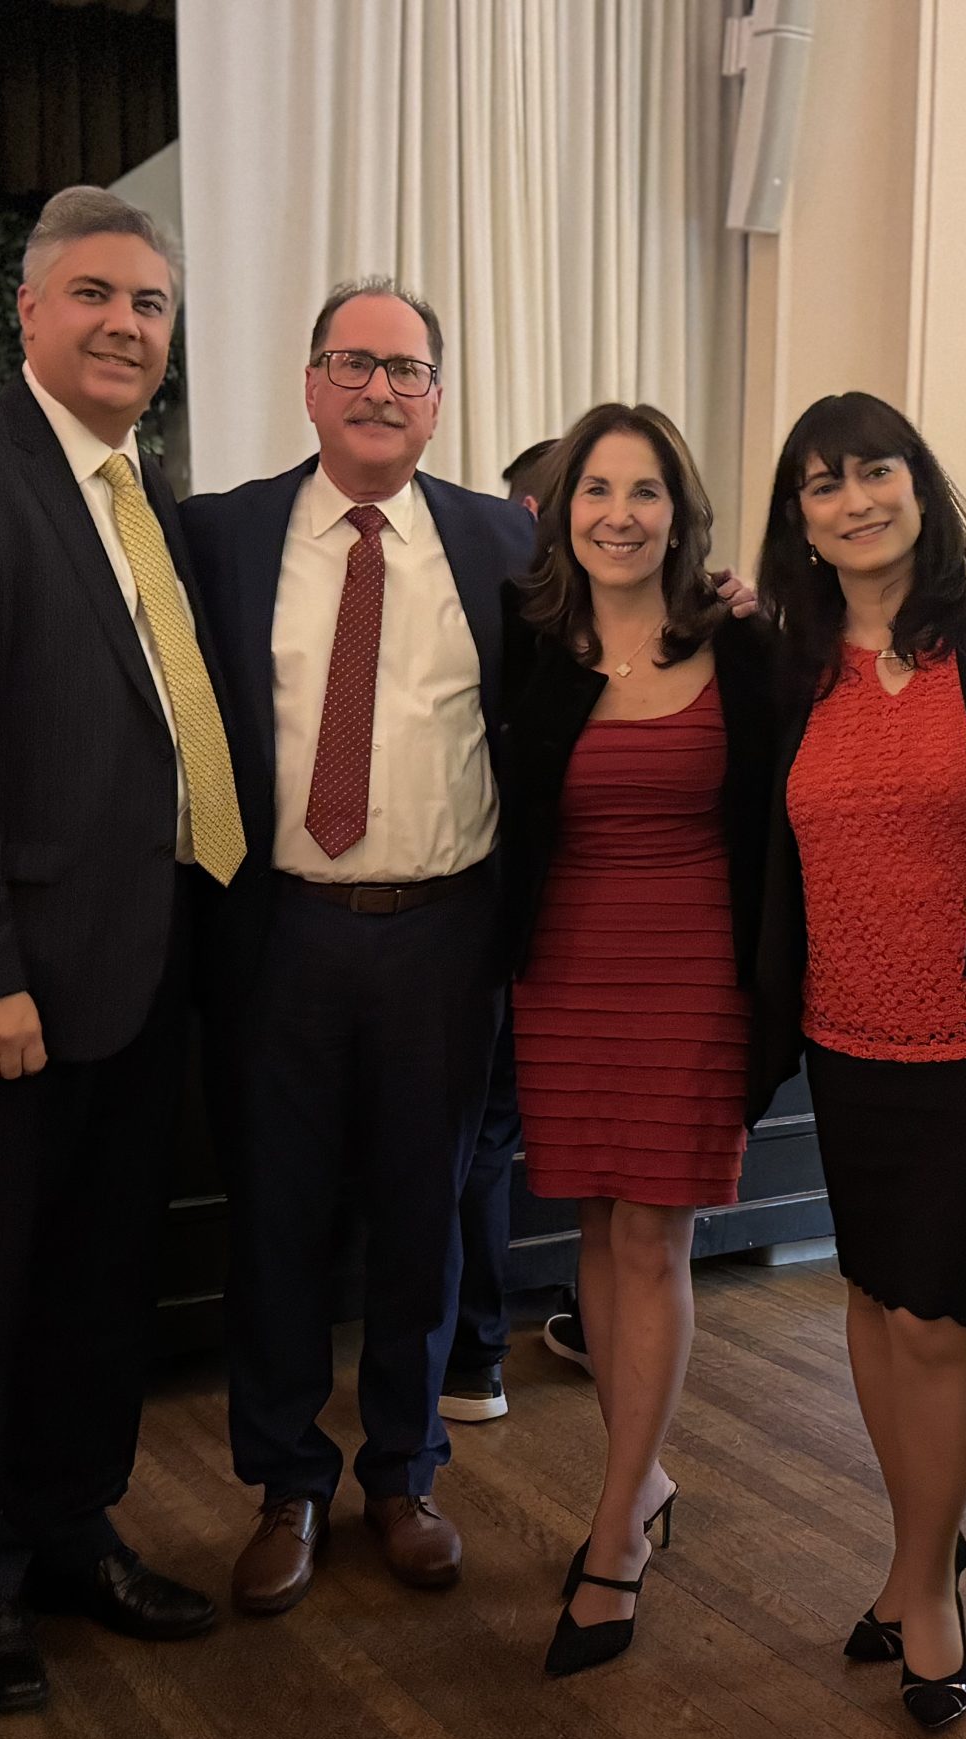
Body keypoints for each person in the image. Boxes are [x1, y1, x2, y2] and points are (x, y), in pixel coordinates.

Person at [0, 187, 246, 1714]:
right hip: (4, 992)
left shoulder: (146, 495)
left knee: (97, 1286)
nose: (124, 325)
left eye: (149, 304)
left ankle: (73, 1531)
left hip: (141, 970)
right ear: (29, 312)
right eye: (94, 294)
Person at [179, 279, 534, 1613]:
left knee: (422, 1222)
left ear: (438, 400)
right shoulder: (222, 534)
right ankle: (285, 1482)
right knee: (275, 1221)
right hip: (278, 934)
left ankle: (403, 1473)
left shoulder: (504, 540)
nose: (381, 389)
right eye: (354, 363)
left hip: (443, 936)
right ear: (311, 384)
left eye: (407, 370)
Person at [749, 392, 966, 1732]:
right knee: (876, 1294)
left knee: (937, 1313)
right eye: (823, 484)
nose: (855, 502)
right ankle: (911, 1554)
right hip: (844, 1038)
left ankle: (933, 1589)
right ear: (798, 518)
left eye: (875, 471)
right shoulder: (785, 664)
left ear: (918, 484)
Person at [498, 403, 785, 1673]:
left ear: (681, 515)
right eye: (597, 490)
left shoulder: (742, 645)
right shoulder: (527, 643)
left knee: (653, 1234)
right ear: (561, 510)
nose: (619, 514)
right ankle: (643, 1478)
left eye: (645, 491)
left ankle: (616, 1532)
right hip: (562, 970)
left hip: (694, 974)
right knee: (597, 1230)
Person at [436, 440, 569, 1425]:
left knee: (481, 1136)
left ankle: (474, 1354)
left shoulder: (496, 613)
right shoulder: (626, 628)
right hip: (570, 928)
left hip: (504, 919)